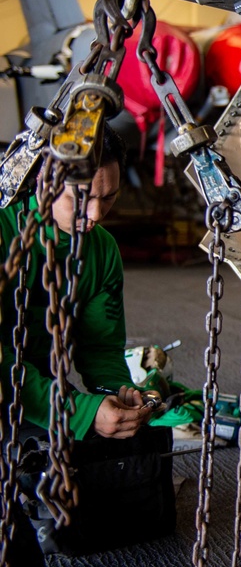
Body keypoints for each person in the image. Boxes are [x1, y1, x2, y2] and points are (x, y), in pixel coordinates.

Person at [0, 128, 151, 441]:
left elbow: (100, 346)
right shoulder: (4, 228)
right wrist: (79, 411)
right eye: (80, 198)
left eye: (108, 197)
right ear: (42, 180)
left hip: (36, 385)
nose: (95, 215)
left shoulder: (103, 249)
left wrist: (118, 393)